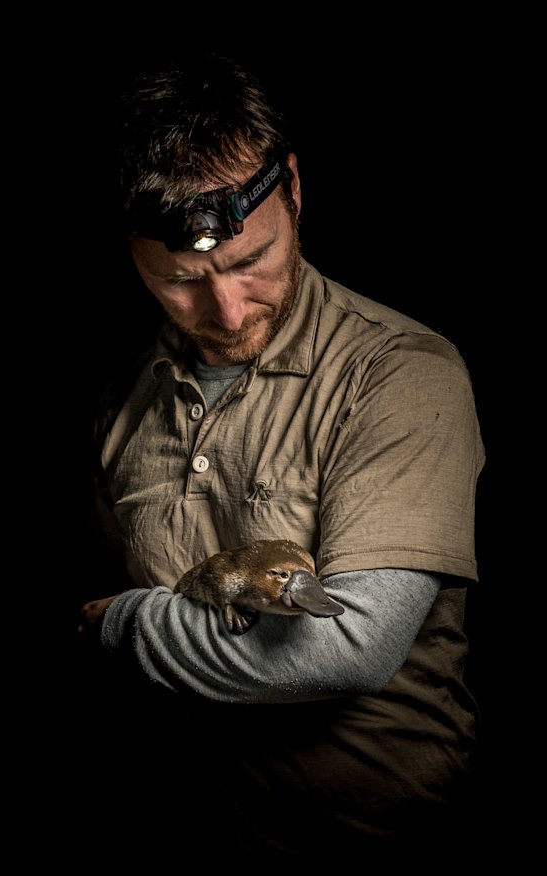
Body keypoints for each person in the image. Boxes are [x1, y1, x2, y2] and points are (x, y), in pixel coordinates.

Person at [77, 51, 486, 862]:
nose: (224, 309)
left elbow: (350, 646)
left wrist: (125, 625)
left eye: (248, 262)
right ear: (132, 252)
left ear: (293, 192)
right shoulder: (123, 397)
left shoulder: (399, 371)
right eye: (180, 279)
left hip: (374, 841)